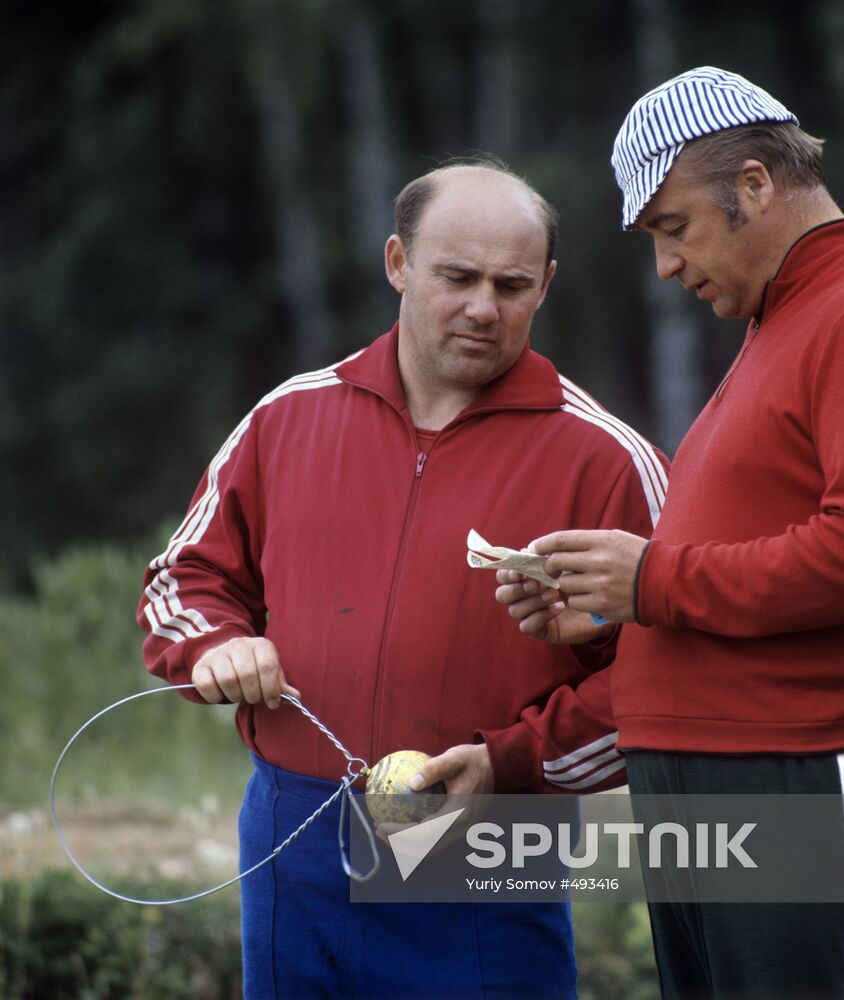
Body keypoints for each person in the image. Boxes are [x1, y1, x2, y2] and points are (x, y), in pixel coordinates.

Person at [497, 67, 844, 999]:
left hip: (813, 783)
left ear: (756, 183)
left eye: (673, 229)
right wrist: (614, 617)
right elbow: (738, 568)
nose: (667, 266)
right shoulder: (784, 324)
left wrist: (653, 582)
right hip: (724, 795)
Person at [137, 158, 668, 1000]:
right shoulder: (286, 418)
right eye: (456, 277)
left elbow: (667, 678)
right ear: (397, 263)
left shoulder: (609, 459)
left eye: (512, 284)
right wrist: (217, 643)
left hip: (491, 840)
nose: (483, 308)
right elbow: (183, 579)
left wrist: (515, 760)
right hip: (295, 830)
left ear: (547, 286)